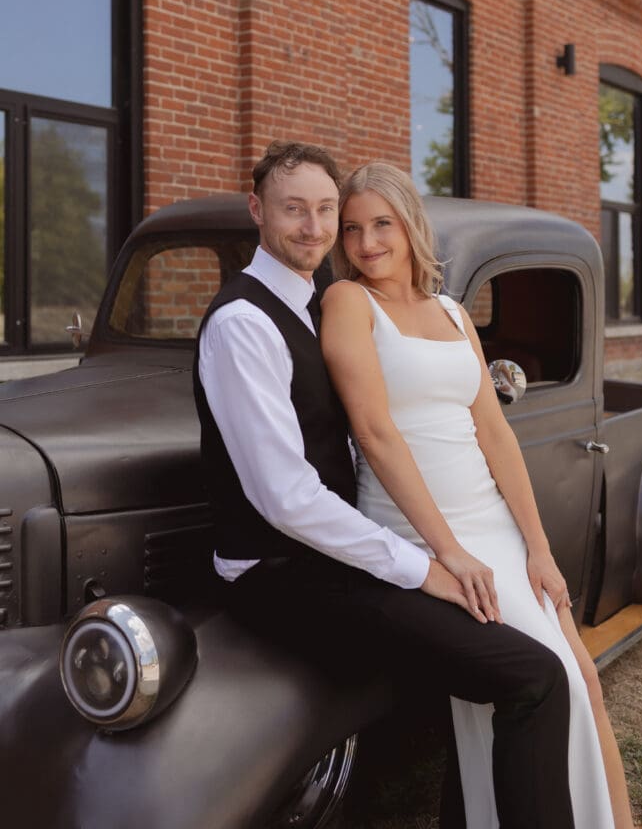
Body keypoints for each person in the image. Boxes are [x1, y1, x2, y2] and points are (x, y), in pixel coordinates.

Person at [193, 140, 576, 829]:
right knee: (530, 676)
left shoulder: (319, 306)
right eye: (292, 211)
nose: (312, 228)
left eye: (323, 211)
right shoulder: (244, 324)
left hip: (339, 557)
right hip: (280, 576)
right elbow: (285, 498)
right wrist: (424, 567)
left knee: (518, 667)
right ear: (257, 210)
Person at [320, 160, 635, 829]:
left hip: (492, 522)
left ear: (409, 224)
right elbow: (375, 434)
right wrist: (448, 554)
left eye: (381, 223)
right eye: (351, 229)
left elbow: (492, 433)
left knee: (582, 679)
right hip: (419, 533)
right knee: (537, 680)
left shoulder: (452, 312)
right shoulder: (348, 303)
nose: (367, 243)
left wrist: (539, 549)